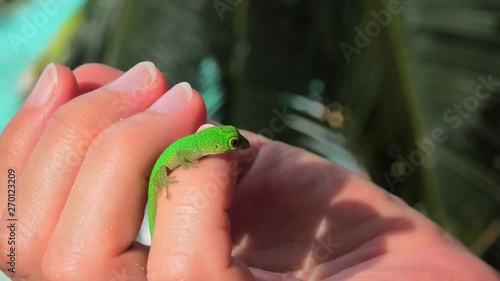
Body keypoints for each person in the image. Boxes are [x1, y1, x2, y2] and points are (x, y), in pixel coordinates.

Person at [0, 62, 498, 281]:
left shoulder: (210, 150)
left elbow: (186, 158)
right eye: (232, 143)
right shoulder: (201, 150)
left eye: (234, 143)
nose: (236, 147)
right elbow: (172, 165)